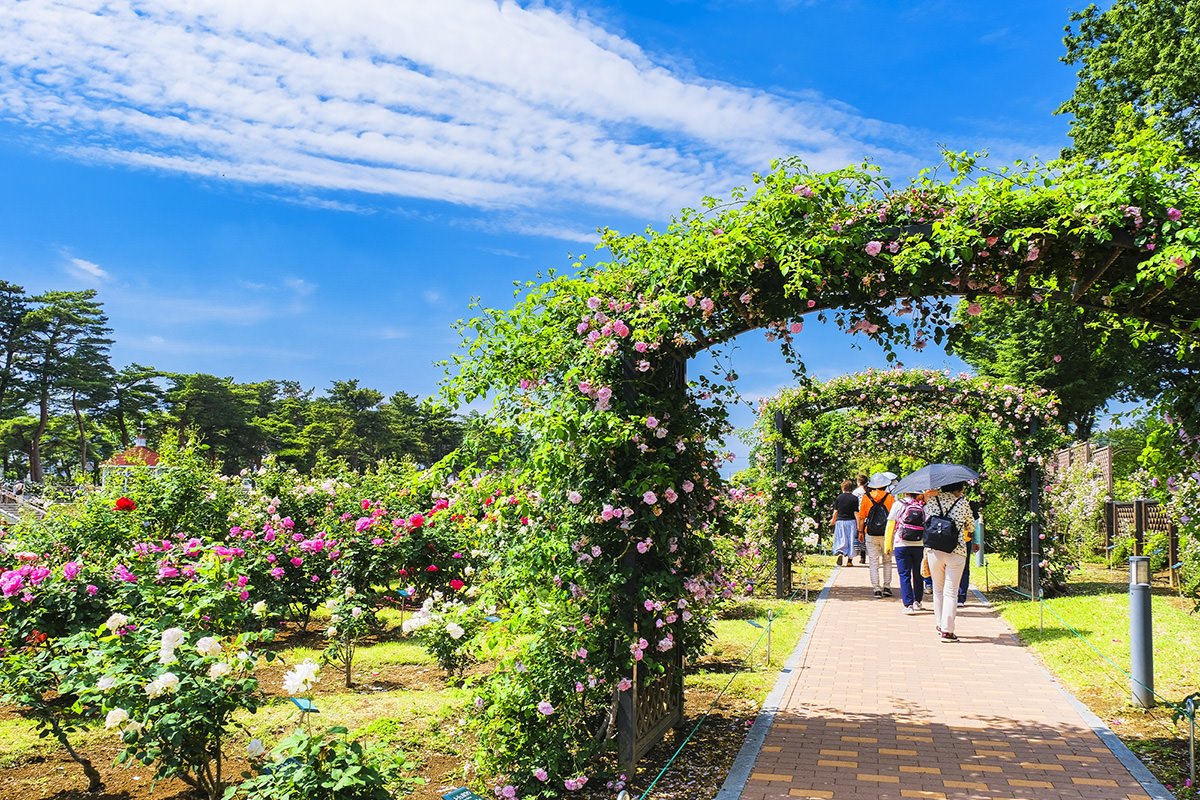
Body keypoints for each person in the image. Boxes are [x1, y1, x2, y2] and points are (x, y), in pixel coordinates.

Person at [923, 481, 975, 642]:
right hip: (956, 550)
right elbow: (971, 526)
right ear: (958, 489)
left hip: (934, 550)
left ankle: (939, 624)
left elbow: (926, 519)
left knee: (938, 589)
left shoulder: (932, 501)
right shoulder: (962, 503)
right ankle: (948, 630)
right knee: (951, 591)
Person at [886, 491, 925, 614]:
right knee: (918, 574)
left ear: (905, 492)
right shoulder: (924, 506)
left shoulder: (898, 504)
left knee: (904, 575)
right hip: (920, 544)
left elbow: (890, 525)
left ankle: (908, 605)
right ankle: (917, 601)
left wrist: (888, 545)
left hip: (901, 544)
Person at [857, 476, 894, 598]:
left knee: (873, 562)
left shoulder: (866, 498)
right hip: (886, 534)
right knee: (887, 561)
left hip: (871, 533)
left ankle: (876, 588)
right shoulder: (890, 498)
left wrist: (860, 532)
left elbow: (862, 517)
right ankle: (887, 587)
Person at [829, 479, 859, 567]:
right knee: (851, 540)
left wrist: (833, 521)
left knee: (841, 539)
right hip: (851, 522)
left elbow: (836, 511)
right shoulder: (854, 498)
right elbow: (856, 513)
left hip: (840, 521)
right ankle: (849, 561)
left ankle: (841, 553)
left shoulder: (839, 498)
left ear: (843, 488)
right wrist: (858, 525)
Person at [851, 474, 869, 564]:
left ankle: (861, 556)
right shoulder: (869, 491)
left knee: (860, 536)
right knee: (867, 536)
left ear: (858, 482)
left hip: (858, 516)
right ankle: (864, 554)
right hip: (868, 516)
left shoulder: (855, 492)